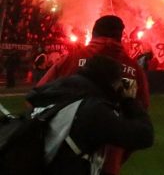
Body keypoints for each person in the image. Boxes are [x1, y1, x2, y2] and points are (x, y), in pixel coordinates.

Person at [38, 15, 151, 175]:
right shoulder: (133, 69)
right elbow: (141, 110)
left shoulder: (71, 59)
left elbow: (38, 96)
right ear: (120, 36)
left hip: (66, 151)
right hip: (110, 157)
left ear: (93, 34)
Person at [25, 55, 154, 175]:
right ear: (110, 83)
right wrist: (128, 100)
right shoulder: (92, 110)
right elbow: (144, 136)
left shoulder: (56, 89)